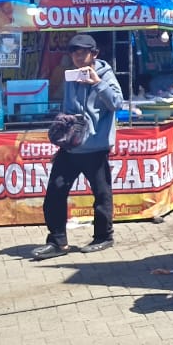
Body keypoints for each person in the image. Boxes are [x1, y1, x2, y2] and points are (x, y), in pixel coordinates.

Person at [32, 34, 123, 259]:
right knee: (55, 191)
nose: (78, 57)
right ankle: (57, 242)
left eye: (83, 52)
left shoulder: (105, 74)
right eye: (74, 52)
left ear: (94, 54)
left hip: (95, 148)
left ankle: (103, 237)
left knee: (101, 194)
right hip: (71, 147)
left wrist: (97, 83)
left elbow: (117, 103)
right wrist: (63, 141)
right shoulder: (71, 76)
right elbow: (69, 109)